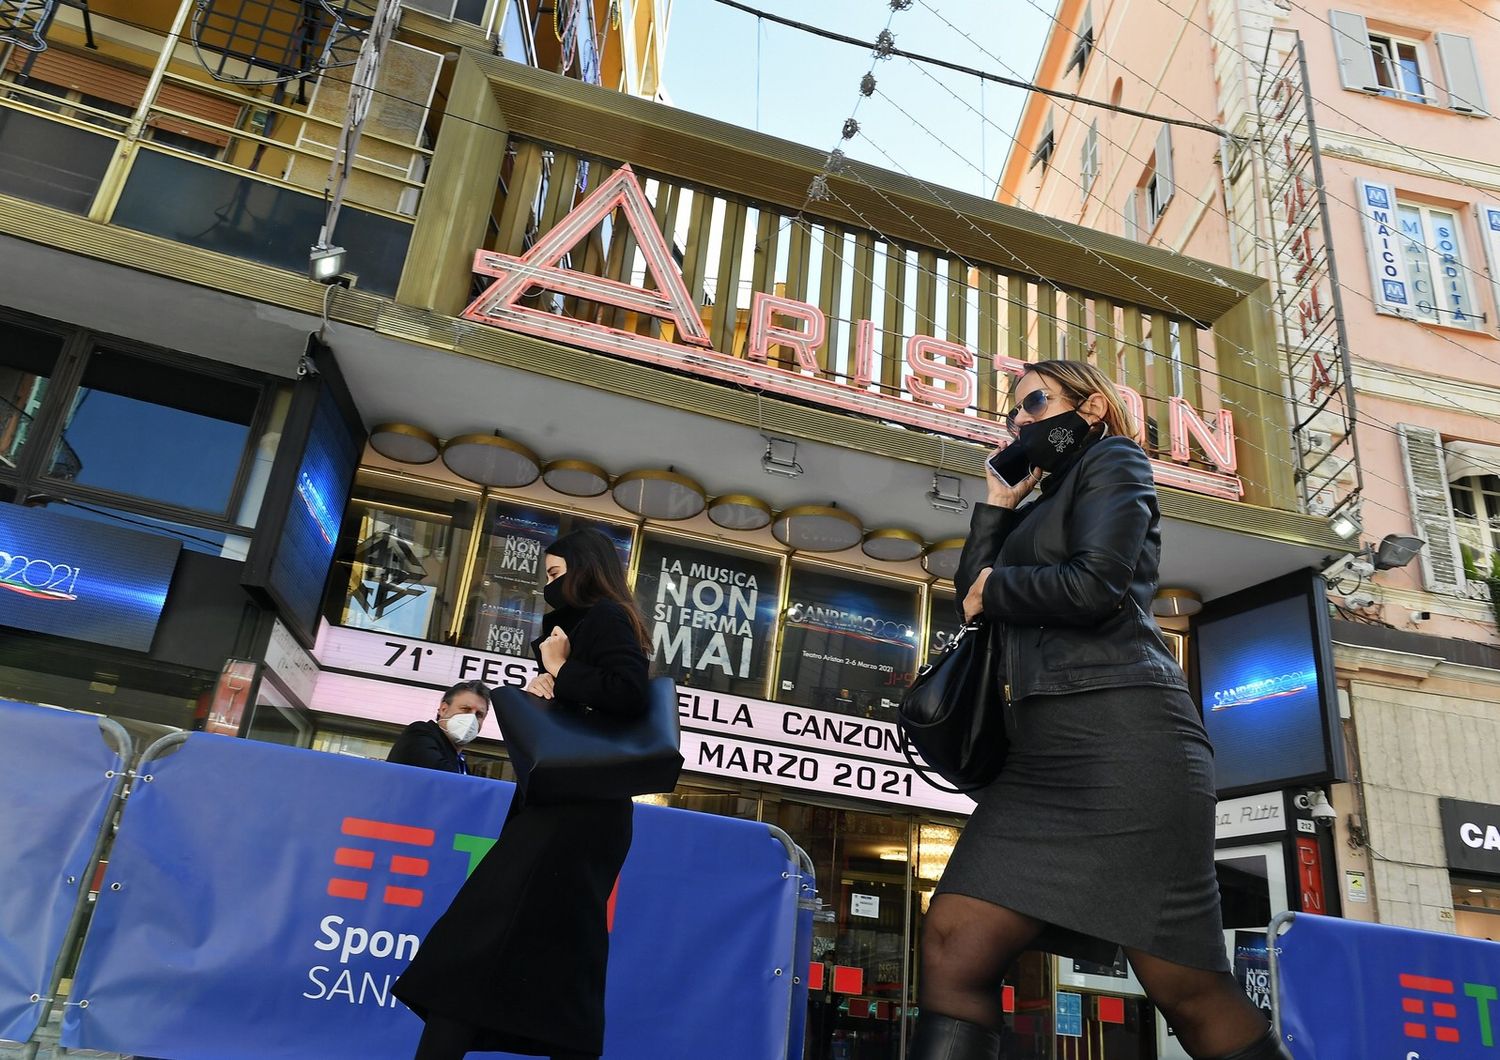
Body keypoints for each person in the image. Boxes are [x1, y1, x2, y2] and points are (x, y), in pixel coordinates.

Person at [911, 360, 1288, 1060]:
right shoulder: (1031, 507)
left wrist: (992, 589)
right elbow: (973, 594)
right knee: (952, 942)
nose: (1018, 420)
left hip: (1126, 736)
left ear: (1089, 409)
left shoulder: (1115, 461)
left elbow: (1097, 585)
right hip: (1040, 754)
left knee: (1183, 985)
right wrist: (995, 502)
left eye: (1032, 402)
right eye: (1009, 414)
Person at [393, 527, 651, 1060]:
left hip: (575, 816)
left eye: (556, 575)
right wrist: (551, 692)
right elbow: (593, 707)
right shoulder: (588, 624)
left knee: (480, 937)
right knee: (554, 949)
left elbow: (628, 693)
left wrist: (559, 669)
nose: (547, 588)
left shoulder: (603, 617)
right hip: (576, 812)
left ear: (583, 570)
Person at [386, 680, 491, 774]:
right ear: (443, 709)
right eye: (465, 709)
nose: (471, 719)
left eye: (478, 715)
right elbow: (444, 779)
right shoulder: (419, 733)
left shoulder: (461, 766)